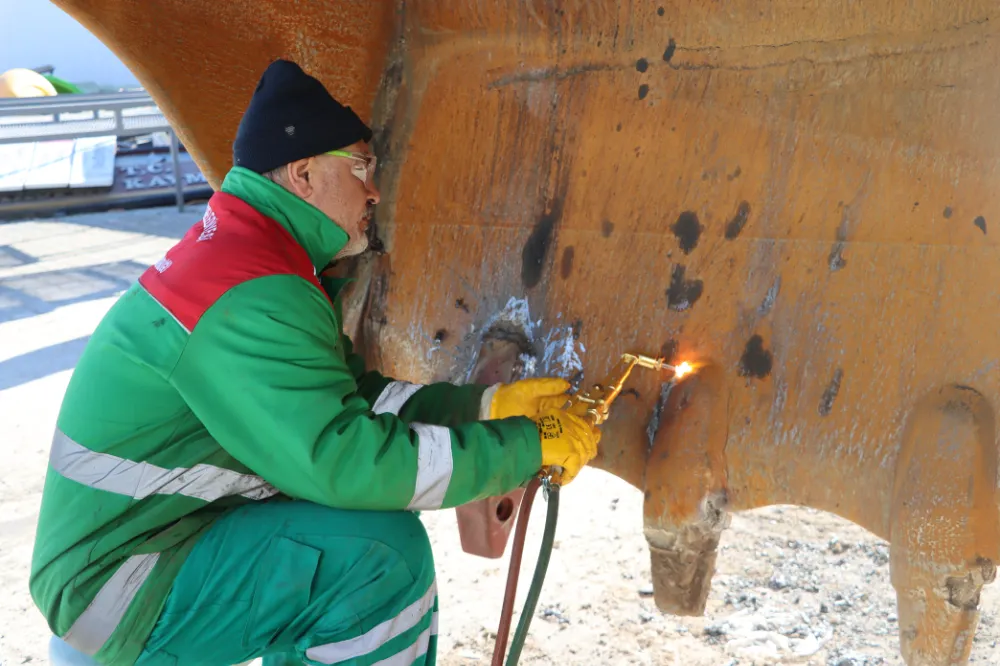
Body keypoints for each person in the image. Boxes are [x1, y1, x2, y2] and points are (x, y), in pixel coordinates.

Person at [29, 59, 601, 666]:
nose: (374, 191)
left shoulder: (254, 262)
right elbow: (343, 461)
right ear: (303, 174)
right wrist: (524, 445)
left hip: (153, 541)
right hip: (120, 586)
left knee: (340, 539)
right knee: (376, 560)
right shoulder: (251, 291)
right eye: (362, 168)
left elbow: (354, 401)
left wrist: (486, 407)